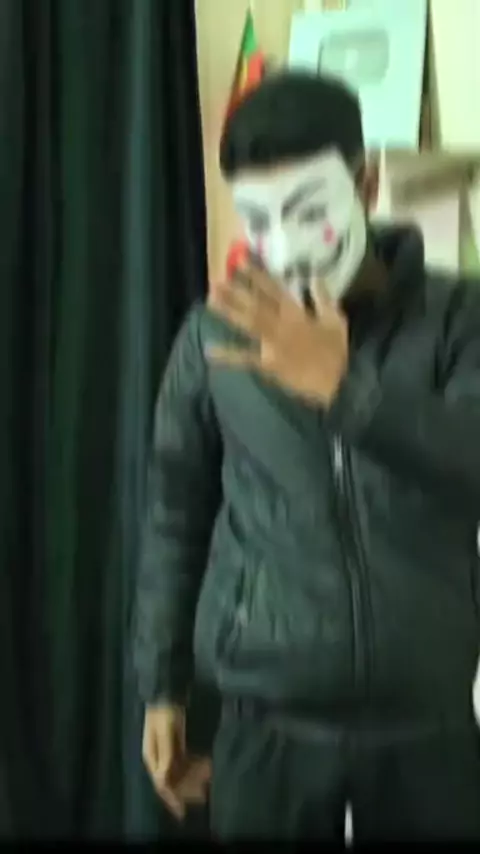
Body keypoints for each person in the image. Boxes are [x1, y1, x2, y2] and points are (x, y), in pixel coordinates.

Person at [133, 69, 480, 841]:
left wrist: (348, 392)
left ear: (366, 183)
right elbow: (174, 513)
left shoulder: (459, 318)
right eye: (258, 220)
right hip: (267, 727)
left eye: (308, 211)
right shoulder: (213, 338)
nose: (284, 249)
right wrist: (161, 685)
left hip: (429, 729)